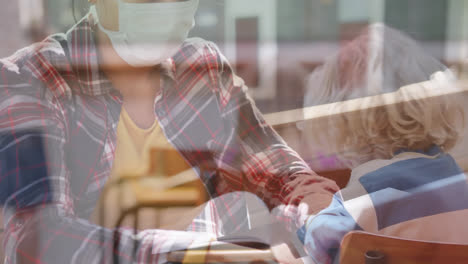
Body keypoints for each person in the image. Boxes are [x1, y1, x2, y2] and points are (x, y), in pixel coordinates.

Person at [0, 0, 339, 263]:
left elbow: (281, 172)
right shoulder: (31, 80)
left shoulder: (203, 69)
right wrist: (197, 254)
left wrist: (323, 214)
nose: (167, 8)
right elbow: (35, 240)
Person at [299, 24, 468, 264]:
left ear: (345, 124)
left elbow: (321, 244)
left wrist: (306, 216)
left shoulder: (373, 191)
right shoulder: (452, 175)